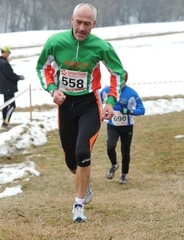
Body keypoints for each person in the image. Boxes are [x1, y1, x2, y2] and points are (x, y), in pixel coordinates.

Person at [36, 3, 126, 223]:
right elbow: (42, 68)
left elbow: (118, 74)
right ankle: (85, 180)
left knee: (82, 151)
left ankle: (78, 205)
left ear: (94, 24)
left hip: (89, 104)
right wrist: (52, 89)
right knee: (71, 161)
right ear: (71, 20)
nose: (82, 28)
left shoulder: (101, 46)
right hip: (65, 105)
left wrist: (111, 101)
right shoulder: (55, 42)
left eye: (87, 24)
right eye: (78, 22)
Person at [100, 71, 145, 184]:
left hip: (127, 127)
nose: (119, 83)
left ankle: (124, 174)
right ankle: (114, 164)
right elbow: (97, 101)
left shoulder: (132, 93)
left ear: (126, 80)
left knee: (125, 151)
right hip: (112, 125)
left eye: (122, 81)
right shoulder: (106, 90)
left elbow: (142, 109)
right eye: (117, 81)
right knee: (110, 147)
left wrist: (129, 111)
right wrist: (100, 112)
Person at [0, 46, 25, 129]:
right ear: (5, 52)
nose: (8, 55)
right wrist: (19, 77)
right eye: (8, 53)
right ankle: (6, 122)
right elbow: (10, 75)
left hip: (4, 87)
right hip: (8, 88)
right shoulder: (4, 63)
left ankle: (4, 122)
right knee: (12, 106)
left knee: (6, 104)